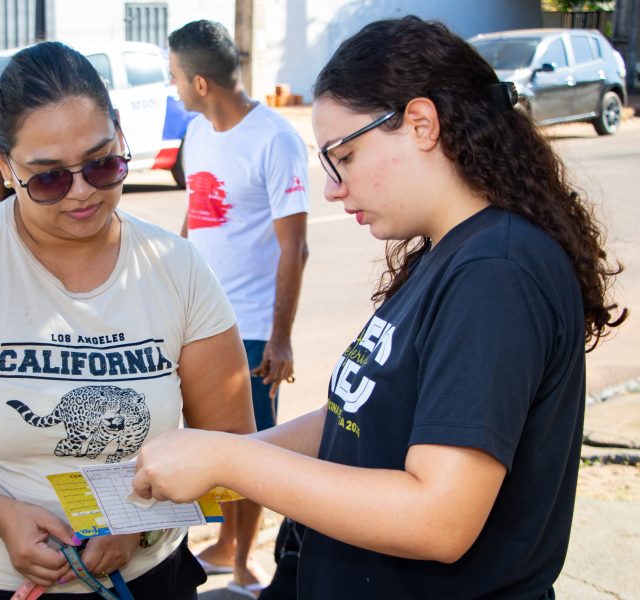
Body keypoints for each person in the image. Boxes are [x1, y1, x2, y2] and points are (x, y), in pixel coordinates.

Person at [133, 16, 628, 600]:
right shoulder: (448, 253)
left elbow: (437, 518)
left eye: (343, 155)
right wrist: (224, 460)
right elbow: (354, 416)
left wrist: (225, 461)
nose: (334, 188)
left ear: (419, 123)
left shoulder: (497, 272)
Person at [0, 41, 256, 600]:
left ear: (123, 139)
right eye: (50, 177)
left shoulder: (176, 269)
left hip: (147, 580)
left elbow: (232, 447)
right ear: (5, 166)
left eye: (103, 162)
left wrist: (143, 523)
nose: (82, 191)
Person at [167, 20, 310, 597]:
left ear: (200, 82)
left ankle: (247, 561)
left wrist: (279, 339)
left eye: (174, 76)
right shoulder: (198, 133)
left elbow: (294, 247)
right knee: (206, 441)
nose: (171, 87)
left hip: (250, 327)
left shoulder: (275, 139)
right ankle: (225, 543)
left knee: (249, 448)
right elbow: (194, 220)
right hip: (196, 322)